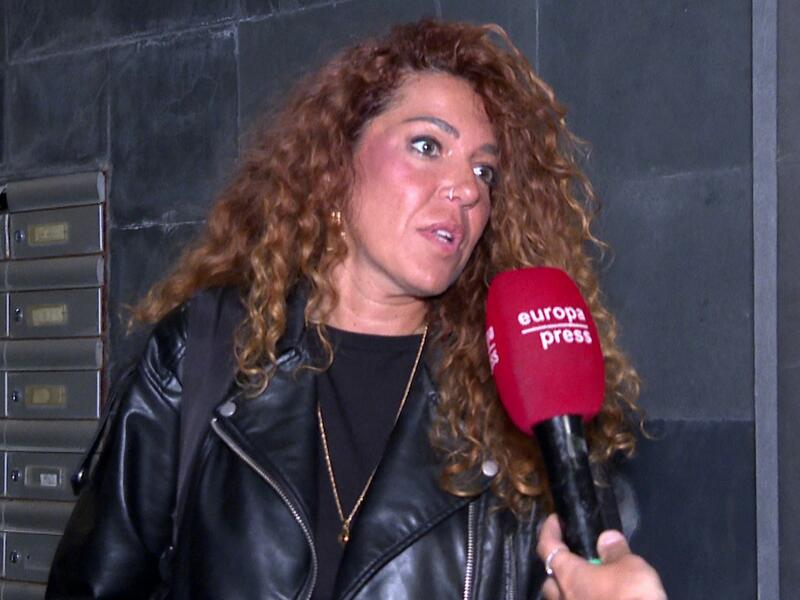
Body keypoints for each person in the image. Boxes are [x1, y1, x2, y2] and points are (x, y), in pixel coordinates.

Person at [46, 19, 665, 600]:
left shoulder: (520, 396)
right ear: (337, 164)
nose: (467, 189)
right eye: (427, 145)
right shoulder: (206, 351)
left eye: (485, 171)